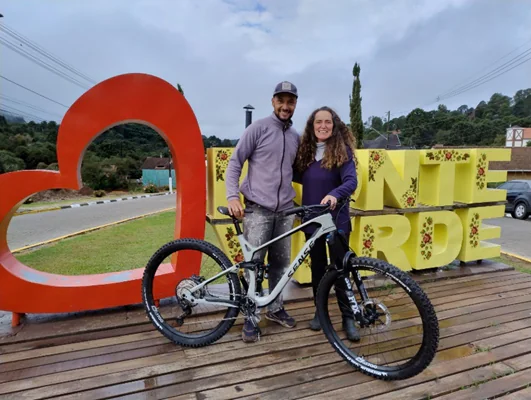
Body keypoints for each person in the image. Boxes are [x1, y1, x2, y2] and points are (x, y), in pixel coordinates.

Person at [225, 81, 301, 343]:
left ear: (295, 105)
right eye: (281, 100)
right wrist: (232, 196)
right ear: (272, 102)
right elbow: (235, 162)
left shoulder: (295, 137)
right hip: (257, 210)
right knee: (254, 265)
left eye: (290, 102)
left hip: (285, 211)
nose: (285, 106)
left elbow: (300, 172)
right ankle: (251, 316)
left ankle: (276, 309)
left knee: (281, 263)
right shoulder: (257, 128)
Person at [293, 106, 360, 342]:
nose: (323, 126)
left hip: (337, 221)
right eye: (318, 122)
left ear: (334, 125)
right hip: (313, 222)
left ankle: (348, 317)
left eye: (327, 122)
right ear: (312, 126)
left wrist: (334, 194)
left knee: (341, 270)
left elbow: (351, 181)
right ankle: (319, 313)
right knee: (318, 270)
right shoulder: (306, 154)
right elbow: (288, 175)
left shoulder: (342, 152)